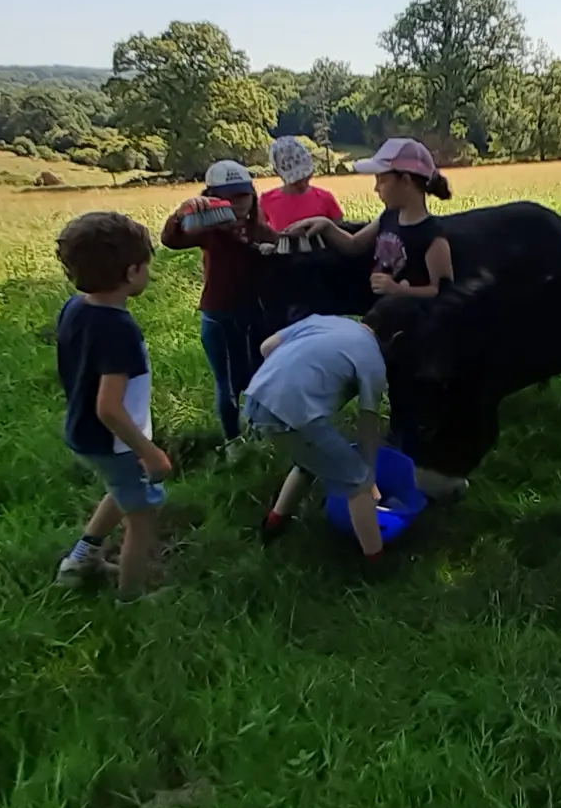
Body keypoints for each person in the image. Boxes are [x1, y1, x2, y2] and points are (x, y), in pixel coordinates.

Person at [245, 302, 415, 569]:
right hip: (291, 416)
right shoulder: (372, 360)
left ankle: (273, 525)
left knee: (309, 462)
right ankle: (377, 563)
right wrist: (369, 477)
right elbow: (368, 425)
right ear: (397, 338)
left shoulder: (324, 321)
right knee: (356, 480)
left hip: (255, 399)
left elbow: (266, 347)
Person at [52, 210, 170, 600]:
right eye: (146, 267)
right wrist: (149, 452)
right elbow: (109, 407)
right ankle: (132, 599)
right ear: (132, 271)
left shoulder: (75, 308)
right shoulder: (119, 329)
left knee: (120, 491)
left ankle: (80, 559)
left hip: (83, 432)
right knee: (140, 517)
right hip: (115, 442)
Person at [161, 161, 277, 443]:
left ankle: (258, 434)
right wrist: (182, 211)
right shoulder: (207, 229)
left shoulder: (260, 228)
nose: (237, 204)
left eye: (242, 196)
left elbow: (282, 248)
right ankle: (232, 441)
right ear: (212, 198)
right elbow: (171, 240)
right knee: (227, 385)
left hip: (256, 317)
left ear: (252, 195)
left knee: (257, 378)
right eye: (227, 197)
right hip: (219, 317)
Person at [286, 137, 454, 298]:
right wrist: (326, 225)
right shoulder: (388, 217)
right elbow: (354, 245)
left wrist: (397, 290)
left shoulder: (432, 235)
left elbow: (441, 291)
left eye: (382, 180)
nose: (376, 188)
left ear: (405, 180)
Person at [260, 135, 346, 233]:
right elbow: (260, 233)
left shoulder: (325, 198)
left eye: (304, 178)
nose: (301, 184)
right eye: (295, 182)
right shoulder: (266, 200)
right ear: (277, 172)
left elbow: (341, 234)